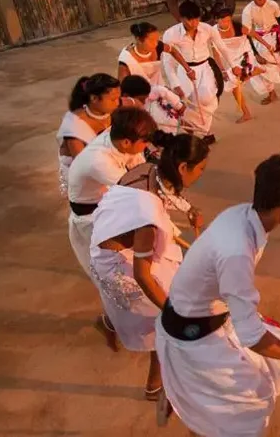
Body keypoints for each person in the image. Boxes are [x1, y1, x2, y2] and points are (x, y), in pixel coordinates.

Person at [155, 152, 280, 436]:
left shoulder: (240, 214)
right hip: (194, 338)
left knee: (272, 364)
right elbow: (253, 337)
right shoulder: (237, 250)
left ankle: (186, 401)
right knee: (248, 408)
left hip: (201, 318)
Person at [89, 133, 209, 406]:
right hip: (122, 264)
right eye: (200, 168)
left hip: (109, 250)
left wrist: (189, 208)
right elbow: (143, 276)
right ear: (182, 168)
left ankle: (109, 322)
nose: (201, 174)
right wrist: (174, 313)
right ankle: (155, 385)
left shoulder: (147, 170)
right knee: (163, 322)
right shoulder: (148, 218)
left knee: (151, 307)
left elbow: (166, 193)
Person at [67, 107, 156, 351]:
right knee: (114, 282)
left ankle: (114, 323)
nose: (145, 146)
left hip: (110, 214)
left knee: (132, 276)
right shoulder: (100, 161)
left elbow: (142, 170)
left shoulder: (118, 141)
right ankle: (111, 323)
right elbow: (136, 192)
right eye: (144, 142)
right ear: (127, 141)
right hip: (92, 225)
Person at [162, 0, 241, 144]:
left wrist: (234, 65)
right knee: (186, 104)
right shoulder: (171, 34)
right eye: (190, 20)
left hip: (205, 67)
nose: (194, 23)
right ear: (181, 19)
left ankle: (204, 130)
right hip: (184, 70)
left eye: (197, 19)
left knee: (206, 99)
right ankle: (203, 134)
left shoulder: (207, 29)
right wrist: (175, 84)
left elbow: (222, 47)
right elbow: (167, 62)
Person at [57, 74, 119, 196]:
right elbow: (84, 164)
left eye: (118, 98)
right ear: (94, 98)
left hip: (105, 166)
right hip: (85, 178)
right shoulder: (74, 127)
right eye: (113, 99)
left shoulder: (111, 112)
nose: (117, 103)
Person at [214, 7, 277, 121]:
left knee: (233, 83)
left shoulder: (238, 27)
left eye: (228, 20)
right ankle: (246, 113)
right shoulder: (213, 32)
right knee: (233, 85)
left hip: (245, 54)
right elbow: (216, 54)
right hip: (232, 60)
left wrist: (268, 45)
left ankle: (258, 70)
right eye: (222, 21)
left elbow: (254, 35)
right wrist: (222, 71)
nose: (225, 23)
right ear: (216, 20)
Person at [240, 0, 280, 104]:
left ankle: (272, 92)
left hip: (275, 36)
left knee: (267, 67)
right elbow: (248, 33)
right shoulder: (247, 11)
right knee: (262, 67)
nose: (262, 1)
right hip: (259, 38)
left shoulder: (273, 4)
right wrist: (255, 54)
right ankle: (272, 92)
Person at [117, 22, 195, 88]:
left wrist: (188, 69)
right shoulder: (126, 60)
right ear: (139, 40)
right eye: (151, 41)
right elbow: (123, 87)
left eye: (157, 40)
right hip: (139, 93)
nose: (155, 44)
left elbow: (173, 51)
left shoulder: (158, 46)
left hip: (158, 86)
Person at [120, 74, 185, 135]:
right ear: (126, 96)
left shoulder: (151, 93)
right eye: (141, 99)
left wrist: (178, 105)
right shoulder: (123, 113)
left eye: (145, 98)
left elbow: (160, 90)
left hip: (172, 127)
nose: (144, 102)